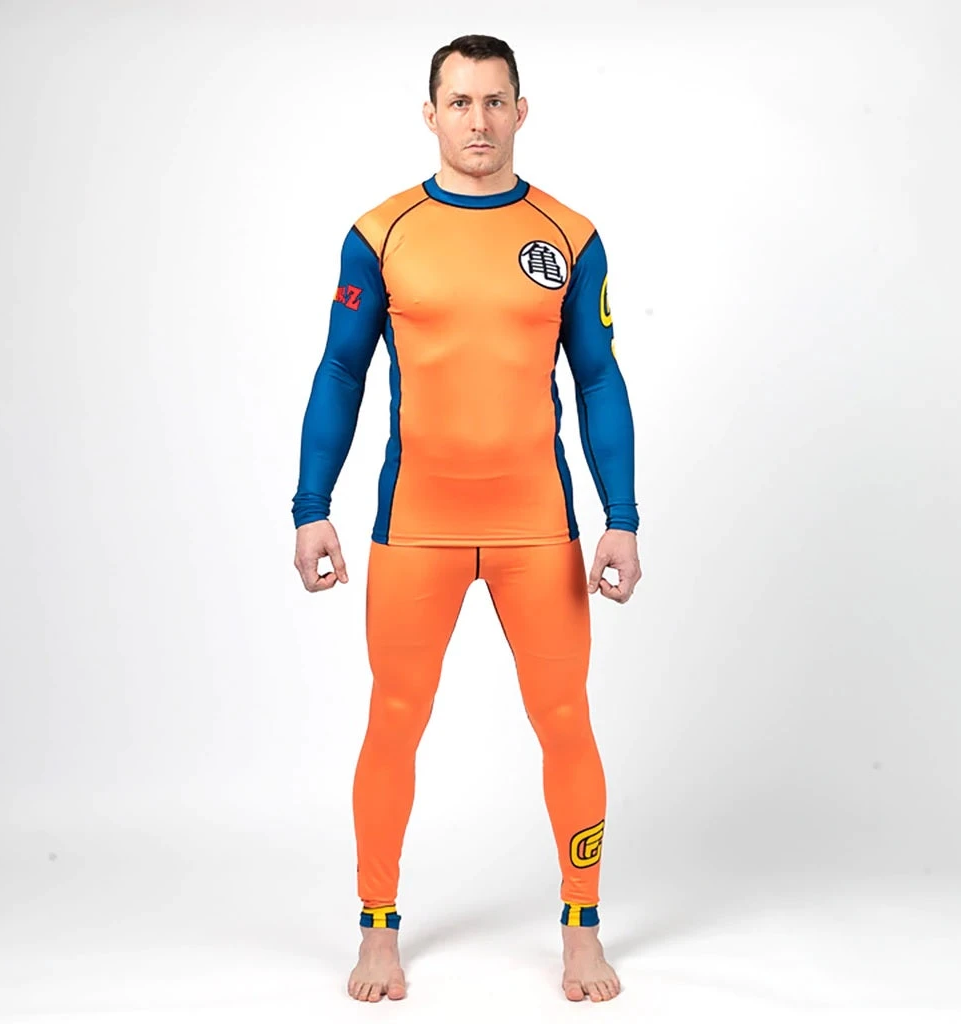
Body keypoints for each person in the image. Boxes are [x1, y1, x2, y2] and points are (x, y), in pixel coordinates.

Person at [291, 33, 641, 1003]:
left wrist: (621, 516)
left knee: (565, 721)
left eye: (494, 102)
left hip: (538, 531)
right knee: (393, 723)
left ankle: (581, 931)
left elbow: (600, 379)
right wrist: (312, 507)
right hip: (416, 528)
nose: (477, 121)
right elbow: (341, 372)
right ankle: (377, 933)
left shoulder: (569, 235)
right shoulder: (381, 233)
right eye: (459, 102)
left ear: (520, 112)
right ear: (430, 114)